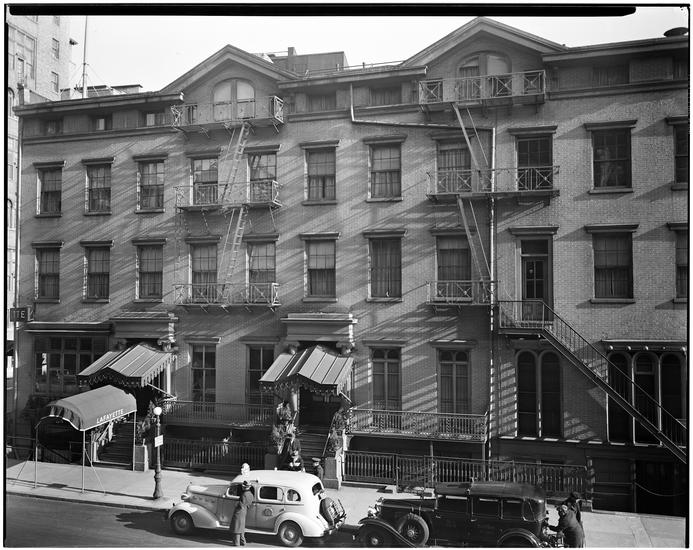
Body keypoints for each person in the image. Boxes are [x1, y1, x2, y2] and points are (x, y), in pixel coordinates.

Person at [230, 480, 254, 546]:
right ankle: (243, 542)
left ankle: (236, 543)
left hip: (239, 511)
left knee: (237, 527)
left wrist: (236, 503)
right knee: (241, 527)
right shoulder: (250, 494)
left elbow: (241, 504)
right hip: (244, 511)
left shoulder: (244, 494)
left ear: (244, 487)